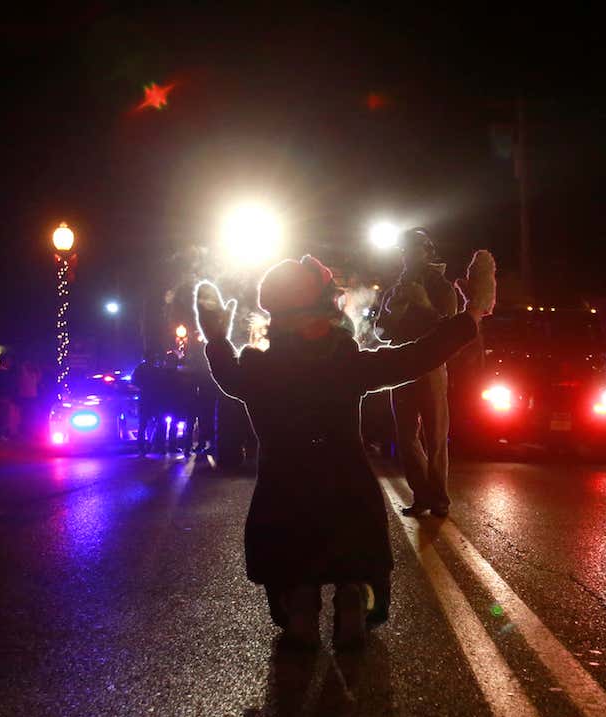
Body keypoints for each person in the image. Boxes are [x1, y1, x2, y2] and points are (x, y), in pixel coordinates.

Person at [198, 251, 495, 649]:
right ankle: (355, 597)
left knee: (288, 551)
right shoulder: (344, 362)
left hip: (283, 490)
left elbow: (229, 378)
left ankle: (300, 603)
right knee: (358, 547)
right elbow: (414, 358)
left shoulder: (259, 367)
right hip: (346, 487)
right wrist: (470, 316)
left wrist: (217, 338)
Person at [375, 228, 460, 517]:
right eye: (405, 250)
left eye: (414, 249)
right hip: (402, 366)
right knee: (406, 436)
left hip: (432, 366)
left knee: (436, 436)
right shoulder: (396, 289)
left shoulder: (443, 288)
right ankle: (422, 496)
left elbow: (452, 330)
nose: (408, 255)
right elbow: (382, 332)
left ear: (428, 251)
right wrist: (394, 310)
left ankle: (440, 498)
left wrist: (424, 303)